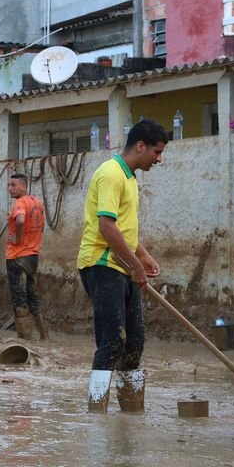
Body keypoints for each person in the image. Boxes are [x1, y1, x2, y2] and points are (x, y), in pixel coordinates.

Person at [78, 119, 166, 413]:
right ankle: (96, 413)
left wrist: (143, 256)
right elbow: (106, 227)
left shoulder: (130, 178)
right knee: (113, 340)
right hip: (102, 264)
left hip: (123, 264)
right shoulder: (111, 174)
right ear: (140, 146)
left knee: (135, 342)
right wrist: (135, 265)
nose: (159, 159)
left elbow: (124, 229)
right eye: (156, 152)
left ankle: (131, 413)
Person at [5, 173, 48, 340]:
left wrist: (18, 238)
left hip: (17, 256)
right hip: (32, 256)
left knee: (19, 299)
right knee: (33, 296)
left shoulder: (20, 203)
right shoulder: (37, 203)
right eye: (9, 185)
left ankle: (24, 341)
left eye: (13, 185)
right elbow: (41, 226)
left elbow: (21, 221)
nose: (10, 188)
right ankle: (44, 337)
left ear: (23, 186)